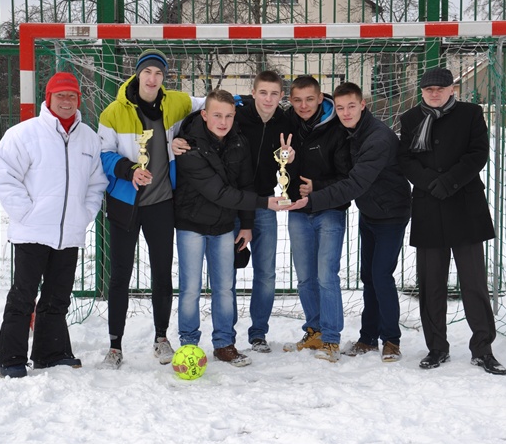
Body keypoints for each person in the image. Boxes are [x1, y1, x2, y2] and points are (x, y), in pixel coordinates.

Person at [0, 72, 108, 378]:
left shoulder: (89, 138)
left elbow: (96, 183)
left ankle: (50, 353)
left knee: (58, 297)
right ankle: (11, 359)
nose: (66, 101)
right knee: (23, 296)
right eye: (60, 95)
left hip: (69, 233)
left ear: (78, 99)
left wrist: (85, 213)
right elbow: (5, 176)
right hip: (32, 231)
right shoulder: (24, 134)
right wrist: (26, 213)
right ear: (49, 98)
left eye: (72, 96)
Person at [172, 70, 293, 354]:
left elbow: (245, 182)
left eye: (228, 116)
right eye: (217, 115)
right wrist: (263, 203)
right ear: (204, 115)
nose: (223, 121)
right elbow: (219, 192)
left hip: (227, 221)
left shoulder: (240, 140)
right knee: (191, 288)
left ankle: (225, 343)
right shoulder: (189, 145)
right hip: (193, 223)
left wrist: (247, 223)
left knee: (225, 287)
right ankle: (188, 344)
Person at [98, 49, 205, 369]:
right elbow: (103, 155)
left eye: (159, 73)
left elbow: (209, 104)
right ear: (138, 74)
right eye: (147, 72)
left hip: (161, 203)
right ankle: (115, 346)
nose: (153, 78)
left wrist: (247, 102)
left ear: (163, 78)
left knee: (161, 273)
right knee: (120, 275)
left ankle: (161, 338)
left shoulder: (175, 103)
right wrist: (129, 170)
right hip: (125, 203)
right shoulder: (113, 112)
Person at [290, 82, 411, 363]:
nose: (345, 113)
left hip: (391, 214)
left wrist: (313, 199)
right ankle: (368, 338)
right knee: (369, 276)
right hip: (370, 212)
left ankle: (391, 340)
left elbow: (354, 183)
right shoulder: (352, 131)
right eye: (341, 107)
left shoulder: (377, 138)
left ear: (363, 105)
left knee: (381, 276)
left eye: (351, 106)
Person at [397, 67, 506, 375]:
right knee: (431, 284)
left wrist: (449, 182)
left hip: (465, 206)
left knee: (474, 284)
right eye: (429, 89)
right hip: (428, 206)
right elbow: (405, 158)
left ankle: (483, 349)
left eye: (440, 88)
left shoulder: (471, 114)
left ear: (452, 90)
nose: (434, 93)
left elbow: (478, 153)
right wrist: (430, 182)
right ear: (422, 91)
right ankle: (437, 348)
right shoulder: (410, 119)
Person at [282, 75, 352, 362]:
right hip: (298, 211)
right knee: (305, 278)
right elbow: (283, 168)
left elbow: (347, 176)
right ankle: (314, 331)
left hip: (329, 210)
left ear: (321, 98)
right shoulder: (286, 123)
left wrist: (318, 188)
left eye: (310, 99)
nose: (304, 105)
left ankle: (332, 339)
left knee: (326, 276)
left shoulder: (337, 127)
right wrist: (286, 162)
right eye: (297, 100)